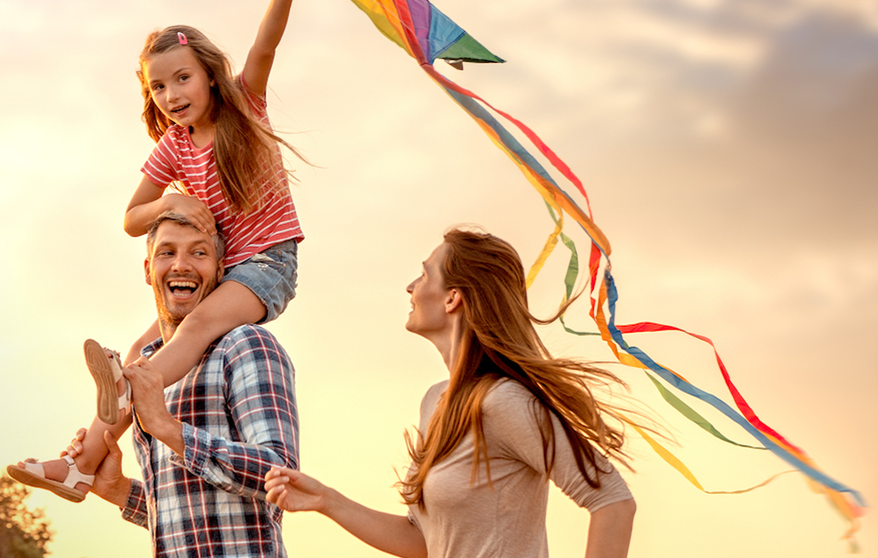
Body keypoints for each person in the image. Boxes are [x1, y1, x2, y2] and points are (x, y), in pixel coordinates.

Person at [7, 0, 312, 504]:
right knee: (141, 350)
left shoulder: (244, 106)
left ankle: (130, 387)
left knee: (189, 334)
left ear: (210, 77)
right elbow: (131, 216)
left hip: (267, 264)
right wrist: (169, 204)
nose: (171, 95)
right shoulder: (174, 146)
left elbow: (265, 48)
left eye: (182, 79)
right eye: (158, 86)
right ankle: (80, 467)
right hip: (224, 273)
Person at [264, 227, 640, 558]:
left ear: (452, 298)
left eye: (425, 274)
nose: (411, 287)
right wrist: (326, 500)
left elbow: (612, 501)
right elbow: (424, 542)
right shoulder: (436, 401)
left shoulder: (503, 401)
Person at [56, 211, 301, 556]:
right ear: (147, 270)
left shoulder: (247, 345)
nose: (181, 265)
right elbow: (191, 519)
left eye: (198, 253)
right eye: (167, 253)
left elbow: (283, 476)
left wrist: (167, 428)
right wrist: (117, 490)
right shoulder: (150, 363)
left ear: (220, 270)